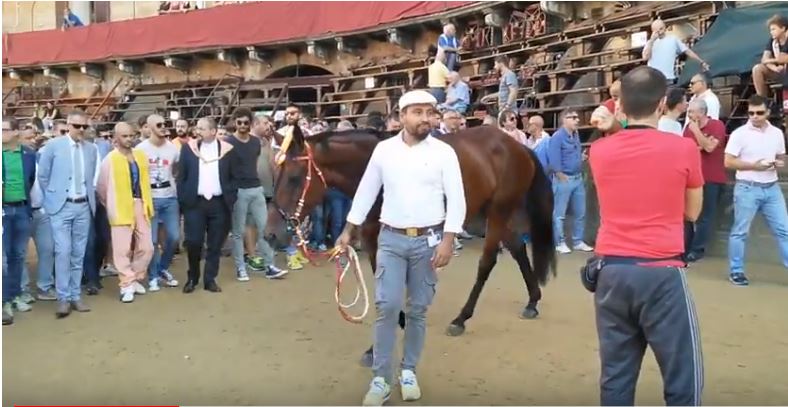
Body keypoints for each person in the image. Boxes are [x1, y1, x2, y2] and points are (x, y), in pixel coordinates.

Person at [335, 90, 466, 406]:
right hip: (390, 239)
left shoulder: (444, 152)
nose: (425, 118)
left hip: (429, 241)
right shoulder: (383, 151)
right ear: (401, 115)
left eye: (429, 112)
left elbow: (457, 198)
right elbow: (367, 191)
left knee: (418, 309)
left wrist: (448, 239)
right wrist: (348, 230)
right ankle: (380, 378)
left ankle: (408, 370)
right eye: (417, 112)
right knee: (387, 306)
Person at [589, 66, 704, 406]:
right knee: (683, 372)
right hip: (661, 270)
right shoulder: (683, 149)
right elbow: (692, 212)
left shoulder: (599, 151)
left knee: (616, 375)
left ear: (619, 105)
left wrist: (617, 127)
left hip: (610, 270)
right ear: (663, 104)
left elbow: (628, 143)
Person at [37, 110, 98, 318]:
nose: (81, 130)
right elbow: (43, 175)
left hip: (83, 206)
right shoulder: (53, 146)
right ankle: (63, 298)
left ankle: (75, 295)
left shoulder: (91, 149)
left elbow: (92, 178)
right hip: (61, 207)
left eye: (84, 127)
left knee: (78, 253)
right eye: (77, 126)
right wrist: (53, 198)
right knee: (63, 251)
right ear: (68, 125)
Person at [723, 94, 788, 286]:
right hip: (747, 187)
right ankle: (736, 271)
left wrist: (778, 163)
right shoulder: (739, 134)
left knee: (784, 231)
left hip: (771, 187)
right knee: (740, 232)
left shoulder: (776, 133)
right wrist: (754, 166)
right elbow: (728, 161)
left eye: (759, 112)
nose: (754, 116)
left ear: (768, 112)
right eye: (751, 112)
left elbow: (781, 156)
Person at [225, 108, 287, 281]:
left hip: (257, 188)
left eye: (246, 122)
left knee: (264, 228)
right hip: (238, 191)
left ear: (250, 123)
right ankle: (240, 268)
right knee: (238, 232)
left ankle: (270, 266)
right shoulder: (228, 142)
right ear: (235, 122)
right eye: (239, 122)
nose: (243, 125)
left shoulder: (255, 143)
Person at [176, 118, 237, 293]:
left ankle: (210, 279)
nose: (198, 131)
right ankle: (192, 277)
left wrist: (231, 196)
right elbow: (182, 176)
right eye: (197, 127)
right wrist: (184, 199)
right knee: (194, 242)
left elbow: (234, 176)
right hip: (195, 203)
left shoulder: (227, 150)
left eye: (202, 128)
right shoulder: (189, 149)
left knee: (215, 244)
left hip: (219, 204)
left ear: (213, 131)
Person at [96, 122, 155, 303]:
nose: (129, 139)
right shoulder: (110, 159)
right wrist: (111, 205)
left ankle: (135, 277)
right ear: (116, 138)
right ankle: (126, 284)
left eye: (131, 135)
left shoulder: (141, 155)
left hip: (141, 205)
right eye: (124, 136)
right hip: (120, 207)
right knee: (122, 250)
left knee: (147, 247)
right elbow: (101, 188)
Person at [136, 114, 181, 291]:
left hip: (170, 197)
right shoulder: (140, 149)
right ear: (149, 127)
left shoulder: (173, 148)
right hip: (150, 198)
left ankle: (162, 268)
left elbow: (177, 169)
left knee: (174, 237)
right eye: (159, 124)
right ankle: (153, 275)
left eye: (166, 124)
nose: (164, 127)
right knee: (152, 240)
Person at [2, 118, 38, 325]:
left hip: (22, 208)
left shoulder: (28, 155)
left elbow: (30, 180)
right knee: (4, 260)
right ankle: (4, 299)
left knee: (18, 255)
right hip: (3, 212)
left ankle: (15, 296)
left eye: (4, 130)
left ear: (16, 132)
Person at [683, 99, 727, 262]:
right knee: (687, 214)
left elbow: (709, 147)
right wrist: (699, 144)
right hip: (691, 177)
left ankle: (697, 249)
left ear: (701, 112)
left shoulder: (717, 125)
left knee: (704, 217)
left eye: (691, 113)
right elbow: (686, 149)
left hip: (711, 178)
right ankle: (684, 248)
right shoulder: (687, 129)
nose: (689, 116)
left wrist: (697, 133)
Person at [547, 109, 593, 254]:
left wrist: (581, 158)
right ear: (563, 120)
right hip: (564, 179)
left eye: (576, 117)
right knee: (559, 214)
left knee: (581, 212)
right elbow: (554, 159)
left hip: (577, 178)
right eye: (572, 117)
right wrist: (560, 175)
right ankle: (559, 243)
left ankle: (578, 241)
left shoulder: (575, 134)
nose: (576, 120)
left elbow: (573, 153)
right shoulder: (557, 137)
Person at [642, 18, 709, 84]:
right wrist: (651, 41)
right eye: (656, 30)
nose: (660, 32)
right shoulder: (650, 43)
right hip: (652, 79)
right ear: (652, 31)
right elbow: (645, 57)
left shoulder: (673, 39)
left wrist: (701, 62)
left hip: (668, 78)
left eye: (661, 28)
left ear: (665, 28)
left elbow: (687, 51)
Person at [751, 14, 788, 99]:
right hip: (778, 70)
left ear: (783, 28)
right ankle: (762, 100)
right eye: (770, 30)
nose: (771, 32)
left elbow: (782, 59)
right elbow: (764, 59)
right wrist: (775, 68)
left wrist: (770, 61)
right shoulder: (772, 41)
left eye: (773, 29)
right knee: (757, 68)